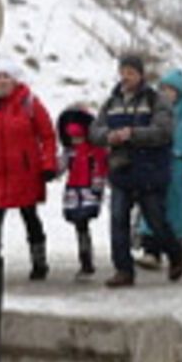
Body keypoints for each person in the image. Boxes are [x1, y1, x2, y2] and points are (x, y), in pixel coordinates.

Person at [92, 55, 182, 287]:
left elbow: (164, 132)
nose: (125, 77)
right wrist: (108, 136)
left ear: (141, 75)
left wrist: (133, 134)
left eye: (130, 72)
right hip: (121, 170)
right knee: (117, 219)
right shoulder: (112, 101)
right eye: (122, 71)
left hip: (150, 171)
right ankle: (123, 270)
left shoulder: (156, 100)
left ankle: (175, 254)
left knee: (156, 220)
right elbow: (94, 130)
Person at [0, 58, 58, 281]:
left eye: (6, 76)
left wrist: (48, 163)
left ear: (15, 80)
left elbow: (47, 135)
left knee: (30, 216)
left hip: (24, 172)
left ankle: (39, 262)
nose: (1, 81)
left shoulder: (29, 102)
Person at [142, 69, 182, 262]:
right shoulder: (154, 110)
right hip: (157, 164)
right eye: (164, 88)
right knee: (153, 205)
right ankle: (151, 249)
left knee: (181, 209)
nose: (167, 93)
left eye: (171, 89)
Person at [56, 108, 107, 277]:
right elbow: (61, 167)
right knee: (79, 225)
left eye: (78, 136)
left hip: (88, 189)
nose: (76, 140)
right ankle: (85, 257)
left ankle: (86, 258)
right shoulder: (70, 152)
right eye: (73, 137)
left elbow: (100, 170)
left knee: (83, 223)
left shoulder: (95, 152)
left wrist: (97, 188)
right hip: (74, 189)